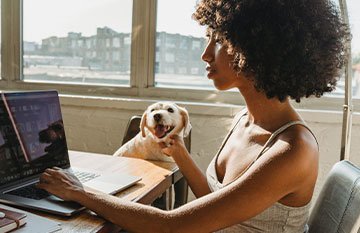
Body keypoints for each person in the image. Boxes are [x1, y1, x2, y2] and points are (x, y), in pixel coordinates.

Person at [37, 0, 350, 232]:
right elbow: (213, 200)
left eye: (219, 40)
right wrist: (180, 153)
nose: (205, 53)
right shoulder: (245, 120)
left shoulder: (292, 151)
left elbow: (172, 225)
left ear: (257, 49)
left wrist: (80, 191)